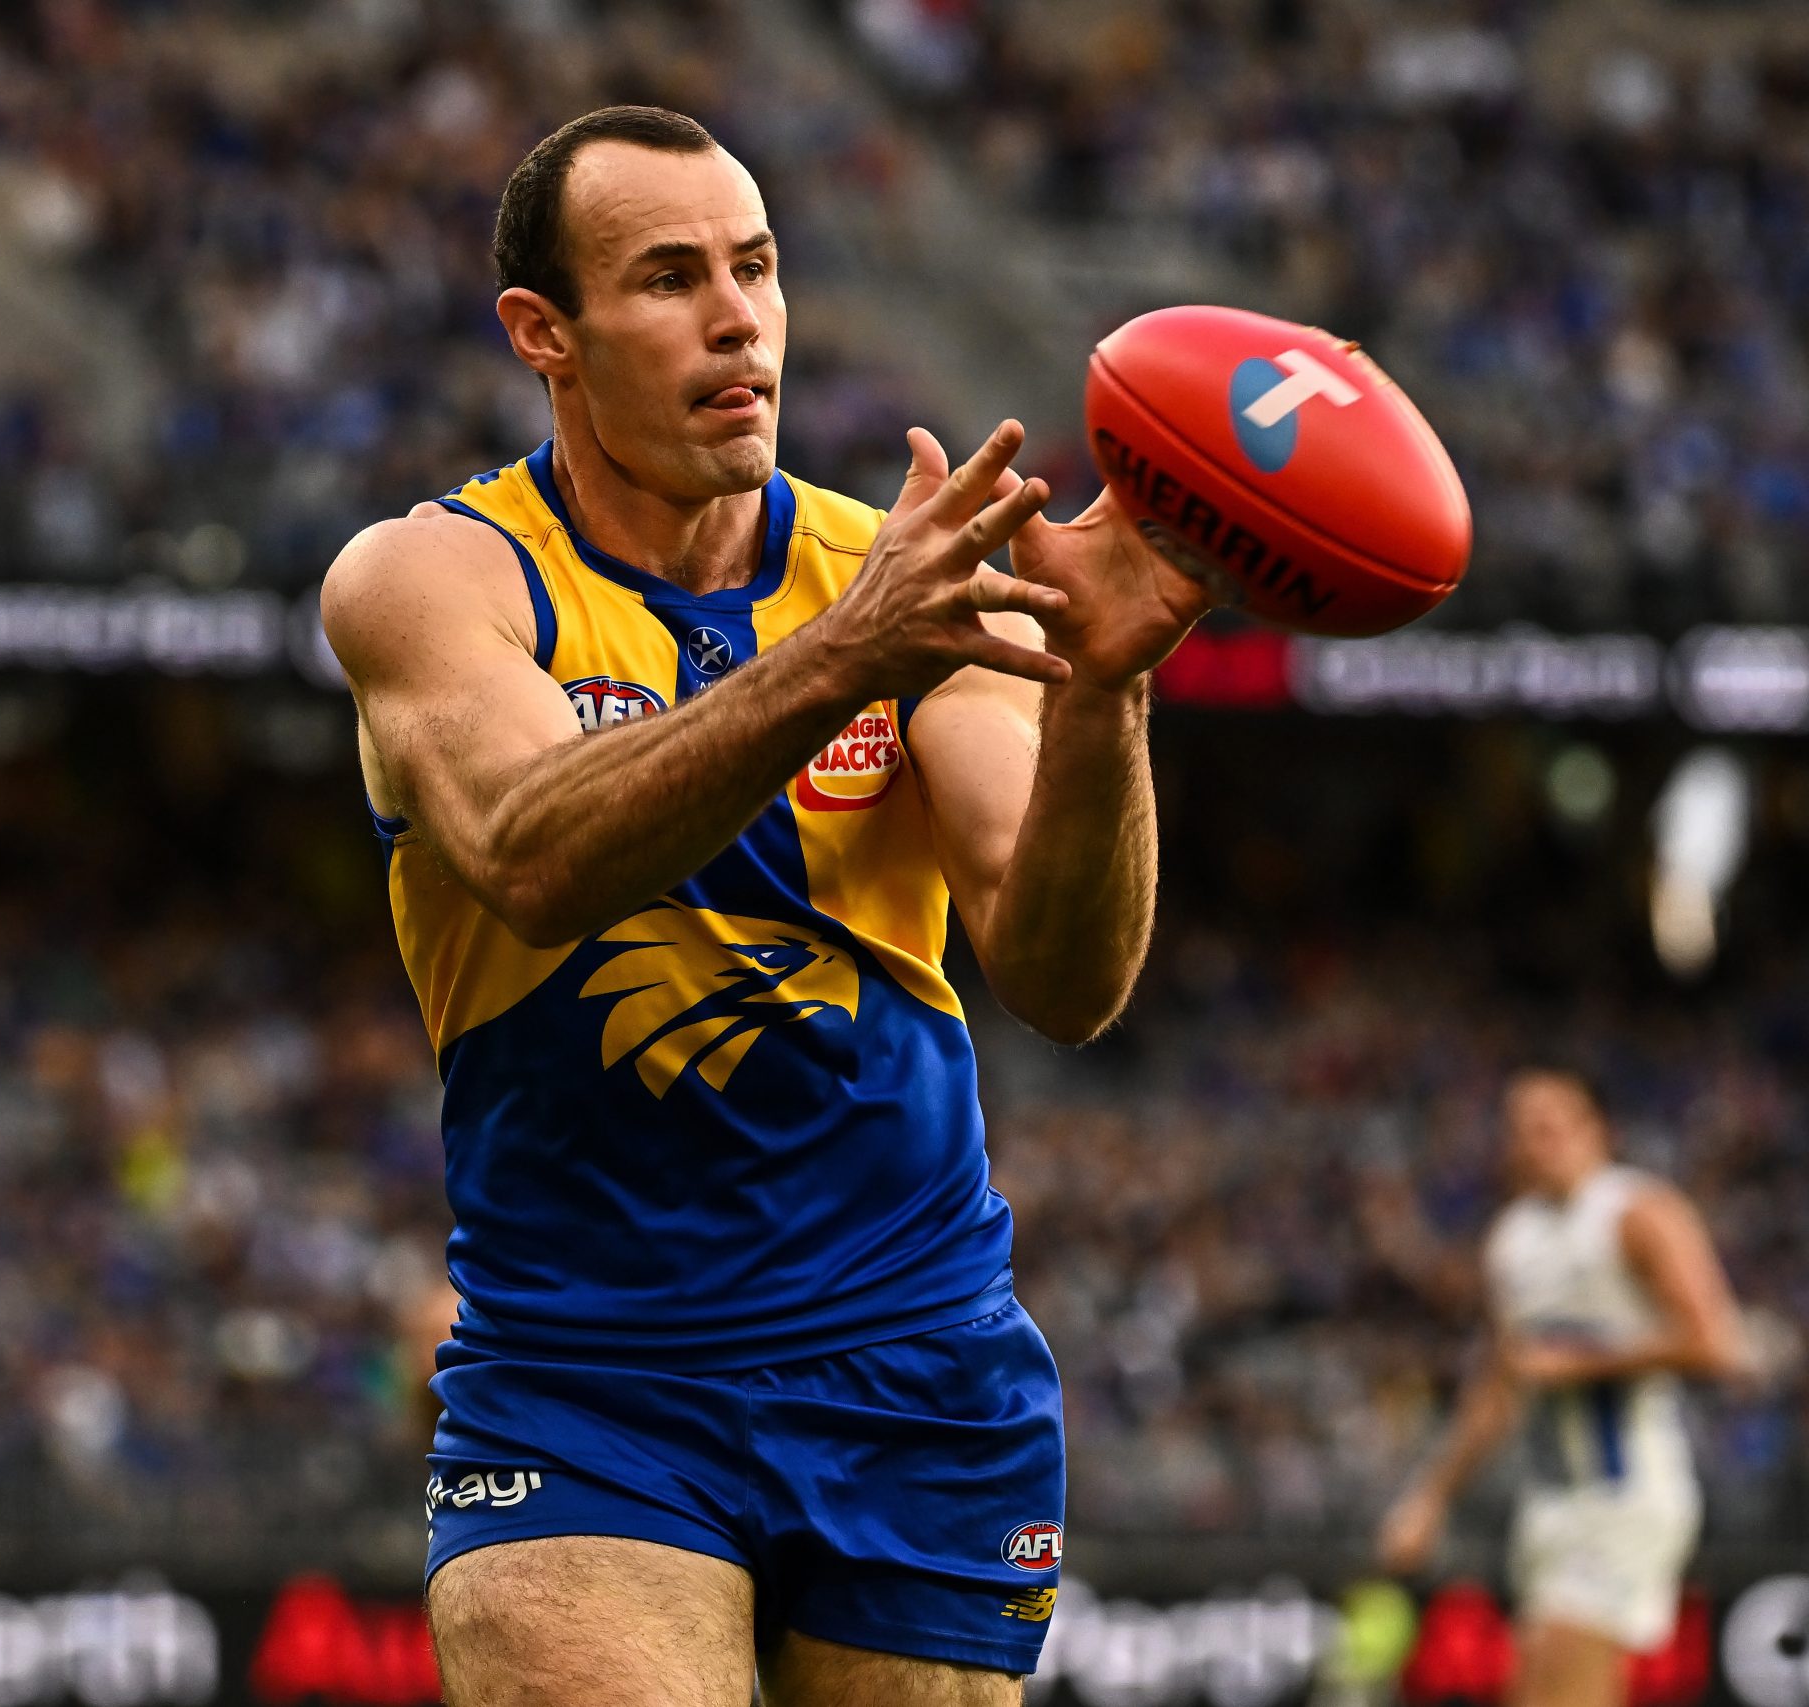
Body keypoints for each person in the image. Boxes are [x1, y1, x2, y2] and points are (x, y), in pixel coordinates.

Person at [318, 106, 1208, 1706]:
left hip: (920, 1362)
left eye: (757, 265)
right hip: (589, 1376)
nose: (737, 316)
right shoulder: (431, 579)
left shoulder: (892, 574)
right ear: (546, 335)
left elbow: (1066, 977)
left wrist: (1101, 697)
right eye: (668, 277)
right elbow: (535, 852)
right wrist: (847, 656)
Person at [1376, 1068, 1752, 1707]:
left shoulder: (1636, 1212)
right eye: (1520, 1125)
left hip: (1625, 1493)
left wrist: (1579, 1363)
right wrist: (1430, 1497)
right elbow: (1499, 1387)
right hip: (1551, 1503)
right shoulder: (1513, 1238)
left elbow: (1718, 1345)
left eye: (1550, 1122)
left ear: (1594, 1129)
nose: (1533, 1138)